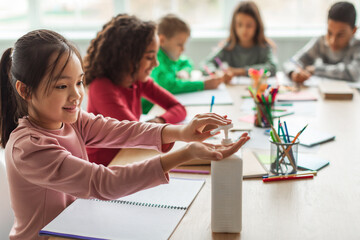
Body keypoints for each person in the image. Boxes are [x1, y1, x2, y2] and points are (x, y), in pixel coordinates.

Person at [0, 29, 250, 240]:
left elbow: (122, 129)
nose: (76, 95)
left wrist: (182, 132)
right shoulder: (29, 147)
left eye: (79, 82)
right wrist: (182, 155)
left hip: (74, 227)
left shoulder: (69, 120)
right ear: (25, 90)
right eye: (62, 86)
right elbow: (102, 182)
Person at [84, 14, 187, 166]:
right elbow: (137, 134)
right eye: (149, 57)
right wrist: (180, 132)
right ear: (127, 58)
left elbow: (179, 108)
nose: (156, 63)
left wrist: (160, 120)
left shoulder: (138, 80)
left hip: (131, 157)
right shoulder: (101, 87)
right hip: (106, 168)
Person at [142, 14, 227, 114]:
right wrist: (203, 84)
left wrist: (184, 71)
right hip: (150, 112)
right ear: (162, 41)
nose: (183, 49)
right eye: (180, 44)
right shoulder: (156, 59)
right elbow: (168, 86)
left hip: (162, 109)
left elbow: (187, 62)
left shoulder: (170, 57)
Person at [283, 1, 360, 83]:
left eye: (340, 35)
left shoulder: (357, 46)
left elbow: (353, 73)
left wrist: (316, 69)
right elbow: (291, 62)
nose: (332, 41)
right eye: (329, 33)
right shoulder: (321, 41)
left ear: (354, 31)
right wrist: (294, 73)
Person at [206, 1, 277, 78]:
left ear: (257, 26)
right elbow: (206, 64)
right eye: (239, 25)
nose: (244, 30)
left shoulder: (263, 47)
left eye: (249, 25)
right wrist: (215, 73)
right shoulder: (228, 46)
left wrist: (240, 71)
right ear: (234, 26)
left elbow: (272, 68)